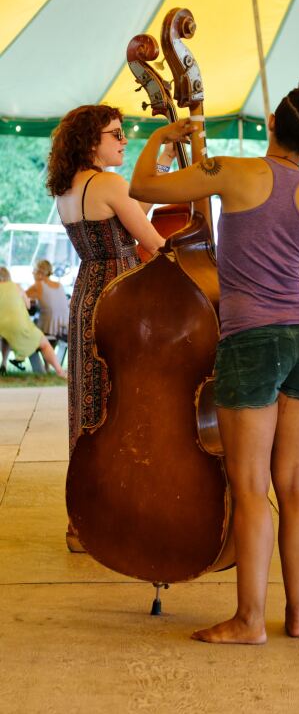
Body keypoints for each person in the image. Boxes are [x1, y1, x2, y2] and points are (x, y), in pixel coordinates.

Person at [129, 79, 299, 644]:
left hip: (250, 340)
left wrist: (164, 134)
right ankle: (297, 616)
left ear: (272, 121)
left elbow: (142, 184)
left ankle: (249, 620)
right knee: (294, 485)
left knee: (249, 488)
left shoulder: (234, 172)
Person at [47, 104, 171, 550]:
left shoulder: (69, 188)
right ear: (90, 140)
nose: (122, 140)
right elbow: (152, 242)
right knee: (124, 405)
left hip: (87, 295)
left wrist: (159, 164)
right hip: (121, 297)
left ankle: (81, 521)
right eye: (115, 134)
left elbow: (133, 210)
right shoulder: (109, 183)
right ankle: (121, 513)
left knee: (88, 406)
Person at [0, 267, 67, 377]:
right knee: (44, 344)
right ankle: (60, 372)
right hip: (22, 326)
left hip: (3, 326)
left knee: (6, 335)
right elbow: (28, 305)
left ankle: (3, 363)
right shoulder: (16, 287)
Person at [27, 259, 70, 343]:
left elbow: (19, 297)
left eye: (34, 270)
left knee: (23, 339)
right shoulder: (59, 285)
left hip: (49, 331)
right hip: (64, 330)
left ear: (39, 272)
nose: (32, 273)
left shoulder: (38, 285)